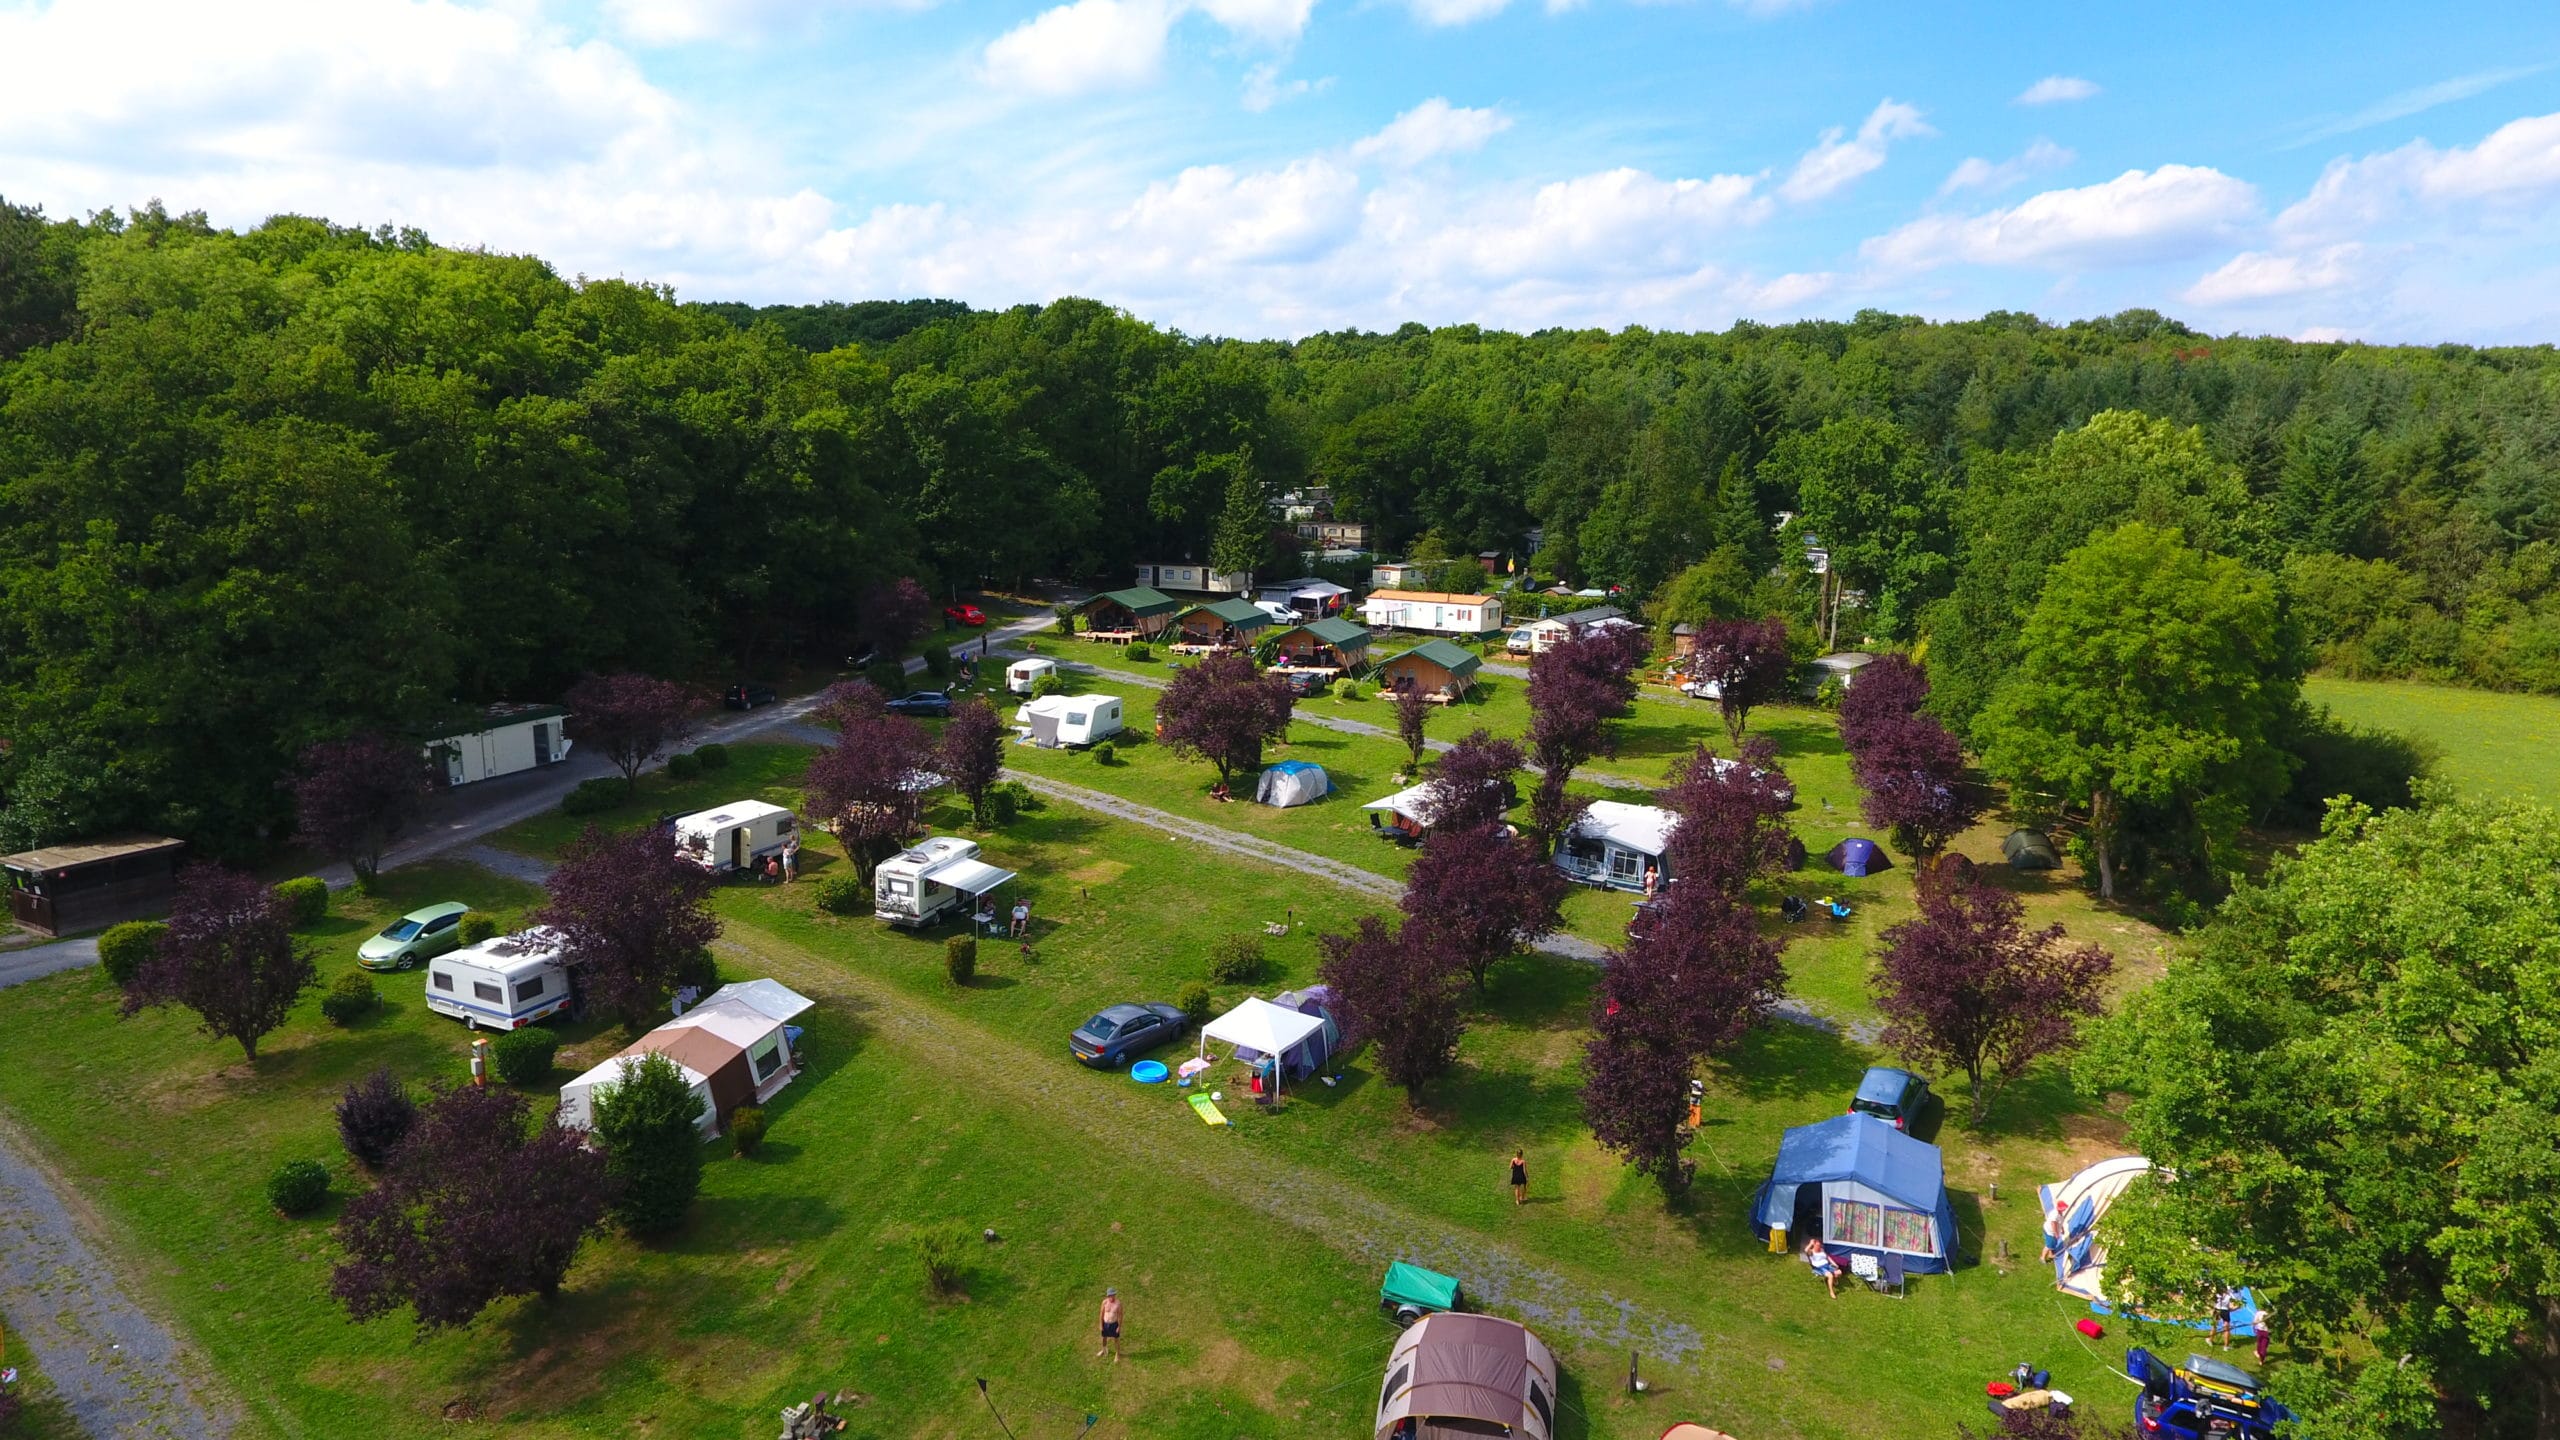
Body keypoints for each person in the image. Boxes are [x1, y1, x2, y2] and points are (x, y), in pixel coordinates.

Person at [1097, 1288, 1122, 1362]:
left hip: (1114, 1324)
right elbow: (1101, 1314)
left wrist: (1119, 1327)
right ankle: (1104, 1349)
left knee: (1116, 1340)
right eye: (1111, 1295)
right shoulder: (1104, 1302)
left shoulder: (1118, 1304)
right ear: (1108, 1296)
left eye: (1114, 1295)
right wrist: (1101, 1324)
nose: (1112, 1297)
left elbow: (1120, 1316)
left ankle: (1117, 1354)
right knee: (1104, 1337)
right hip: (1105, 1324)